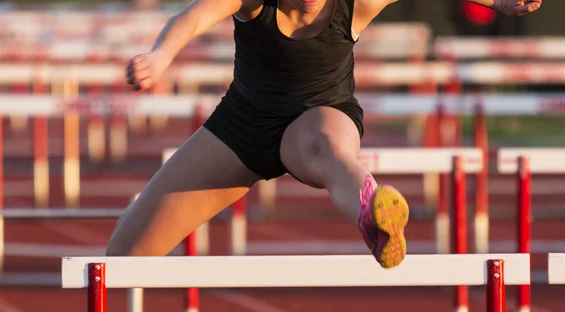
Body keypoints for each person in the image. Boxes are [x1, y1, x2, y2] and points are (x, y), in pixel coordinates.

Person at [108, 0, 542, 269]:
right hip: (238, 129)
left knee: (330, 152)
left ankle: (374, 211)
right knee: (121, 261)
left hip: (318, 117)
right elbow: (192, 17)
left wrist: (498, 3)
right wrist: (161, 55)